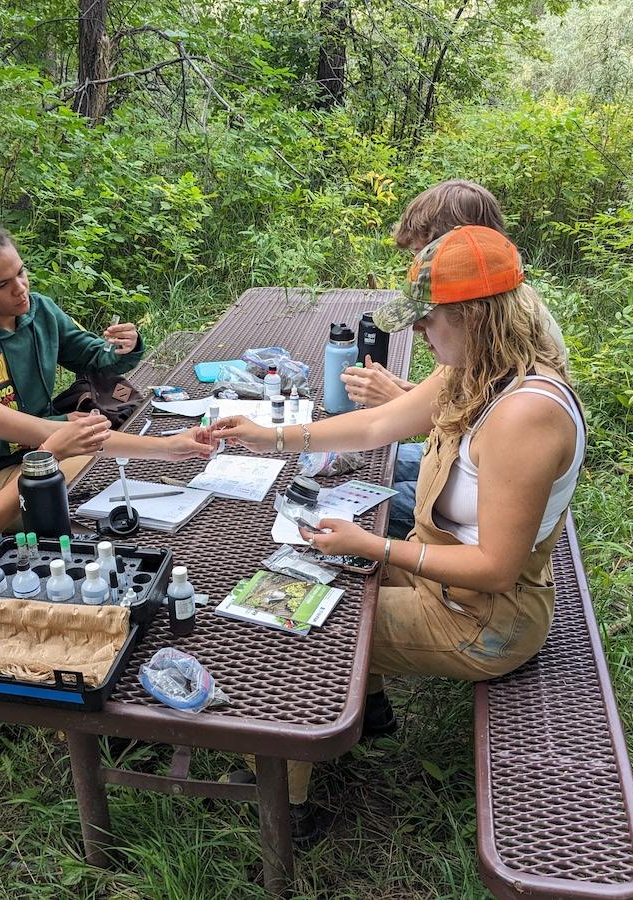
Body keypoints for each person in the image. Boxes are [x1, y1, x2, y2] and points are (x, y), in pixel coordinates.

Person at [211, 226, 585, 845]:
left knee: (300, 622)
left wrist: (373, 546)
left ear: (472, 315)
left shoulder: (526, 412)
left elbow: (494, 567)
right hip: (444, 577)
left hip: (489, 616)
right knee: (304, 572)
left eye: (426, 318)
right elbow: (377, 425)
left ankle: (289, 813)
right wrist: (267, 437)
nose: (415, 333)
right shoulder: (475, 368)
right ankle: (370, 707)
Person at [0, 241, 214, 662]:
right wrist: (47, 454)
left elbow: (64, 430)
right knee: (93, 639)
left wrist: (169, 447)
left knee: (124, 603)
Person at [341, 180, 567, 539]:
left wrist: (398, 403)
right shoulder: (493, 309)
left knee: (364, 497)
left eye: (421, 251)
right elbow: (473, 402)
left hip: (477, 496)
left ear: (456, 247)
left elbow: (487, 443)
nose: (417, 264)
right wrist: (410, 393)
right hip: (461, 463)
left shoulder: (500, 328)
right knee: (366, 463)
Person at [0, 221, 146, 495]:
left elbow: (92, 357)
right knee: (111, 474)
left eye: (21, 272)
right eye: (2, 285)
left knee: (129, 466)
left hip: (53, 447)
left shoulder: (42, 313)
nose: (20, 288)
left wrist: (122, 347)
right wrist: (60, 427)